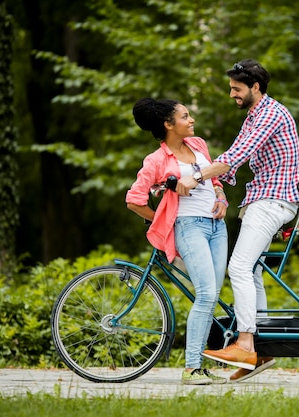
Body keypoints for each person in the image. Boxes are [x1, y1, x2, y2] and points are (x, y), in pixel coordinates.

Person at [176, 59, 299, 382]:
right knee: (254, 273)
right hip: (264, 198)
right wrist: (214, 187)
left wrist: (194, 176)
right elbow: (231, 164)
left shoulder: (269, 114)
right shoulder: (254, 115)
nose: (231, 94)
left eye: (237, 89)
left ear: (255, 88)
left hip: (272, 200)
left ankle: (245, 342)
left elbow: (234, 157)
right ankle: (261, 350)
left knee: (239, 268)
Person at [126, 97, 229, 385]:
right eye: (185, 116)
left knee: (210, 297)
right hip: (189, 227)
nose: (191, 119)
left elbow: (214, 180)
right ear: (168, 125)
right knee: (207, 294)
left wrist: (221, 198)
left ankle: (202, 366)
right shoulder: (156, 160)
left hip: (217, 226)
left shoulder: (199, 145)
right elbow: (134, 200)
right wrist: (160, 219)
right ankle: (191, 368)